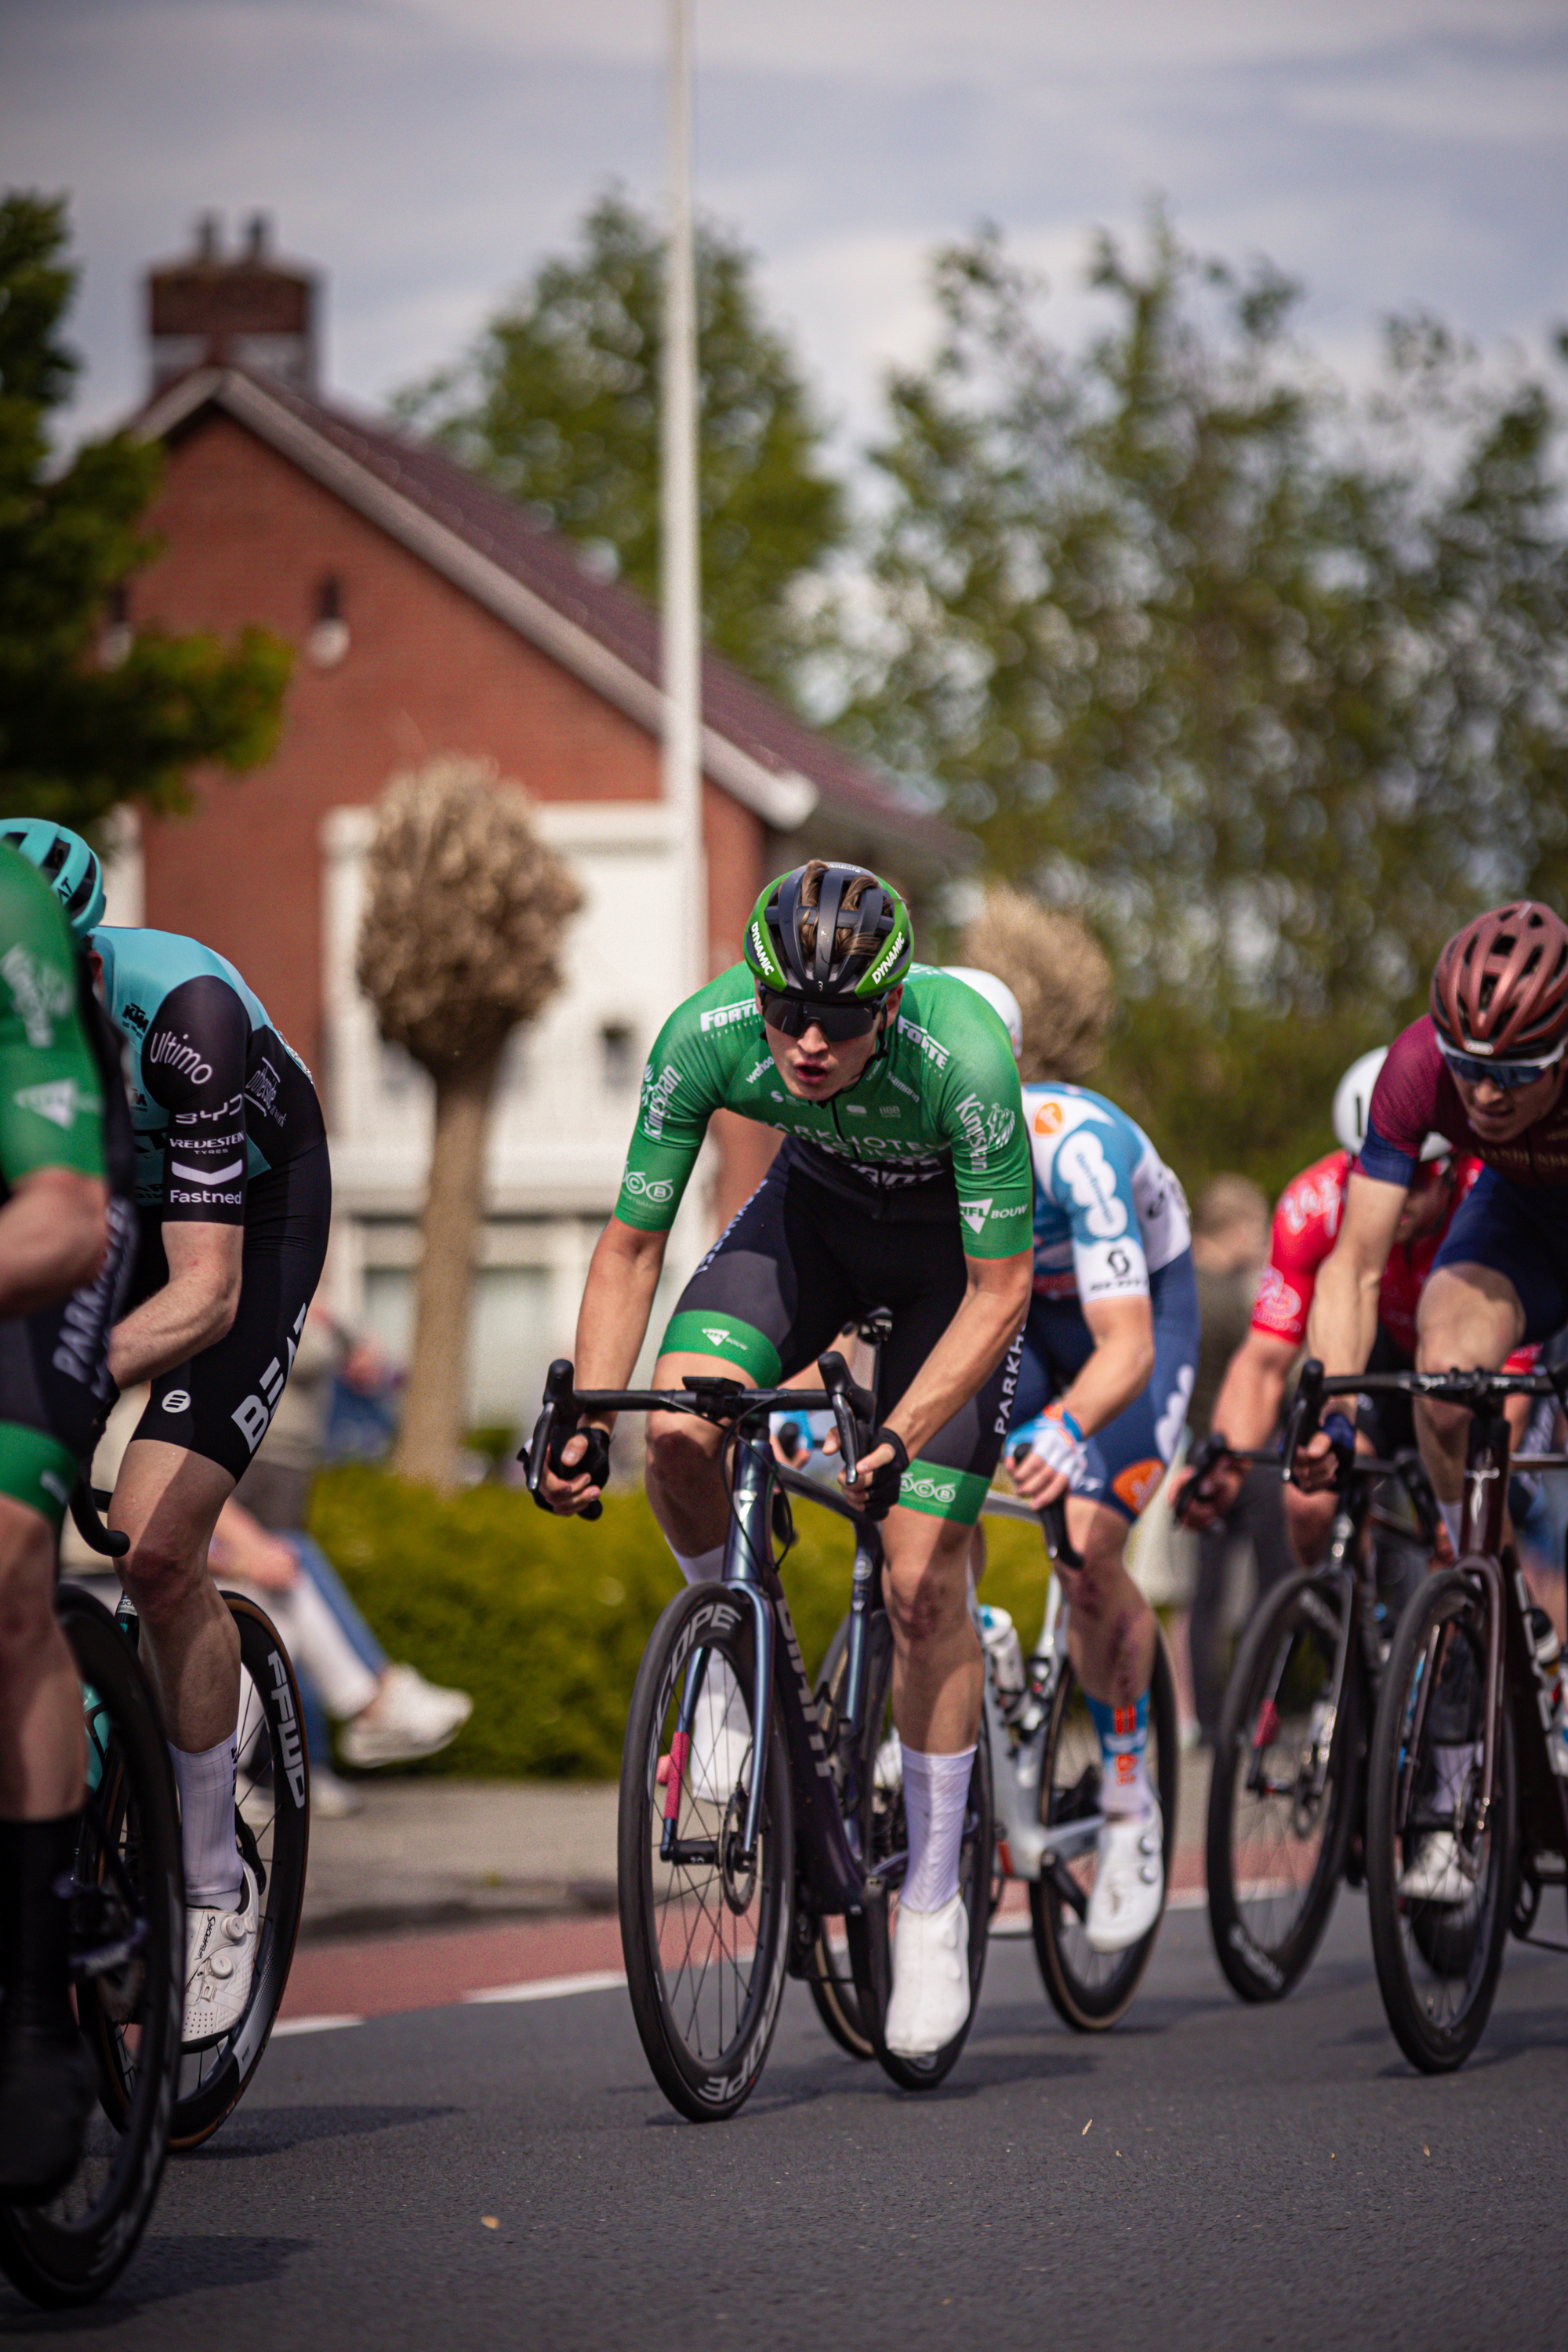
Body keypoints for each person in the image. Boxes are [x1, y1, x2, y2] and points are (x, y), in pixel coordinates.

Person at [537, 861, 1033, 2060]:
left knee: (920, 1579)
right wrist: (584, 1417)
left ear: (893, 1002)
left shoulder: (963, 1058)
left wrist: (906, 1430)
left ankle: (928, 1902)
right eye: (786, 1016)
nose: (808, 1045)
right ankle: (726, 1663)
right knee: (679, 1436)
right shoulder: (706, 1036)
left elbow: (1001, 1290)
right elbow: (629, 1247)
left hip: (942, 1277)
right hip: (807, 1223)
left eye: (842, 1021)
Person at [4, 818, 331, 2047]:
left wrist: (75, 1371)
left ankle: (208, 1883)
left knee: (153, 1546)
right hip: (89, 1209)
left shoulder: (186, 1013)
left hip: (241, 1218)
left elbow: (206, 1296)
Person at [1299, 906, 1568, 1899]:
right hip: (1515, 1219)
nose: (1481, 1093)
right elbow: (1352, 1266)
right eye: (1466, 1067)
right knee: (1444, 1380)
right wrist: (1328, 1407)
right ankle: (1478, 1570)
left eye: (1511, 1073)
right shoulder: (1417, 1068)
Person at [954, 964, 1199, 1951]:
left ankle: (1132, 1800)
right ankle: (963, 1659)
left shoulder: (1079, 1149)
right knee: (912, 1493)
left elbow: (1127, 1351)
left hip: (1131, 1320)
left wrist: (1062, 1429)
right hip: (1015, 1320)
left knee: (1088, 1548)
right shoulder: (911, 1147)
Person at [0, 843, 136, 2196]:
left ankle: (38, 1995)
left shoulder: (13, 922)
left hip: (39, 1234)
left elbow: (64, 1222)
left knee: (11, 1566)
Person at [1168, 1175, 1287, 1748]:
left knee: (1206, 1594)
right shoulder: (1224, 1298)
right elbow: (1270, 1374)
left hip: (1194, 1450)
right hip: (1249, 1456)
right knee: (1275, 1586)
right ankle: (1256, 1706)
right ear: (1238, 1228)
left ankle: (1212, 1722)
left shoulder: (1173, 1286)